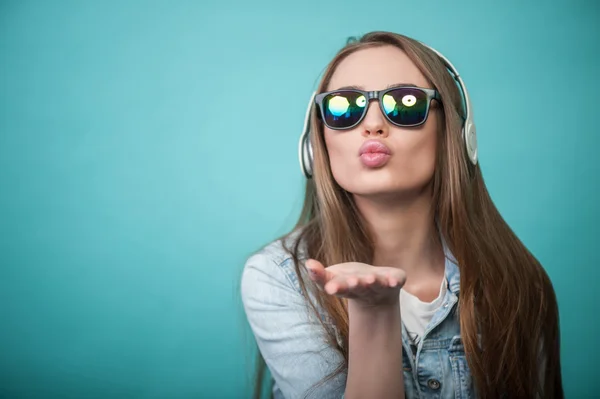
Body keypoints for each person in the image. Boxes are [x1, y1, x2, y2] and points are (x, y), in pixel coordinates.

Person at [240, 31, 563, 399]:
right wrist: (374, 313)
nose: (373, 124)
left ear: (456, 136)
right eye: (344, 107)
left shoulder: (518, 284)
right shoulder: (280, 278)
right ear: (317, 145)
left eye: (405, 103)